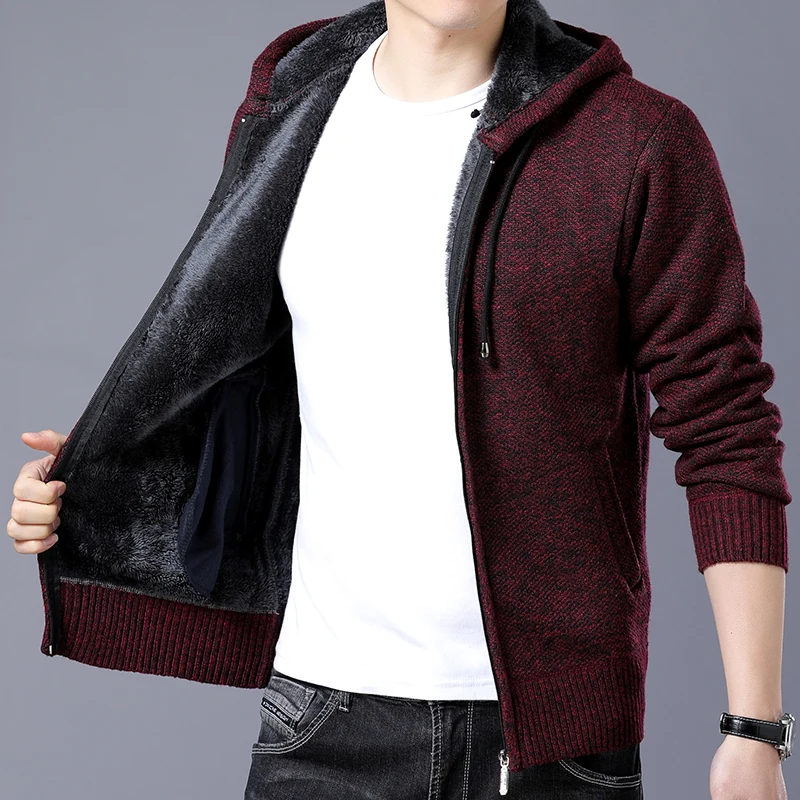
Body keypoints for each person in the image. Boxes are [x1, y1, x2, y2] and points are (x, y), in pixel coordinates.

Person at [7, 0, 793, 797]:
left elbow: (725, 423)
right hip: (321, 717)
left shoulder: (635, 139)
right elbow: (249, 376)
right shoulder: (293, 111)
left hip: (552, 742)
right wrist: (105, 475)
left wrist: (755, 729)